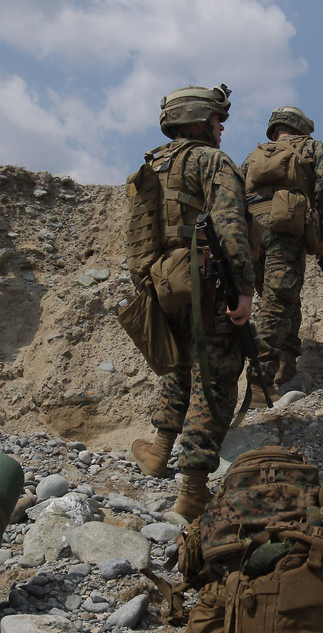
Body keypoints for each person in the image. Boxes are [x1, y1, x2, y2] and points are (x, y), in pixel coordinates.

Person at [129, 84, 257, 521]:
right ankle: (194, 490)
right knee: (212, 378)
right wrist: (243, 289)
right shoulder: (212, 161)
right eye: (219, 120)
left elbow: (141, 231)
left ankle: (159, 451)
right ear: (202, 120)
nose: (223, 128)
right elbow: (230, 226)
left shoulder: (153, 164)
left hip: (165, 283)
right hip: (209, 283)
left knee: (178, 364)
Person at [242, 106, 323, 407]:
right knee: (278, 301)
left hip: (251, 232)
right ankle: (260, 384)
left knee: (275, 297)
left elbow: (235, 193)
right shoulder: (313, 147)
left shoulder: (253, 155)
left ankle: (286, 366)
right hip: (286, 231)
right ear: (302, 127)